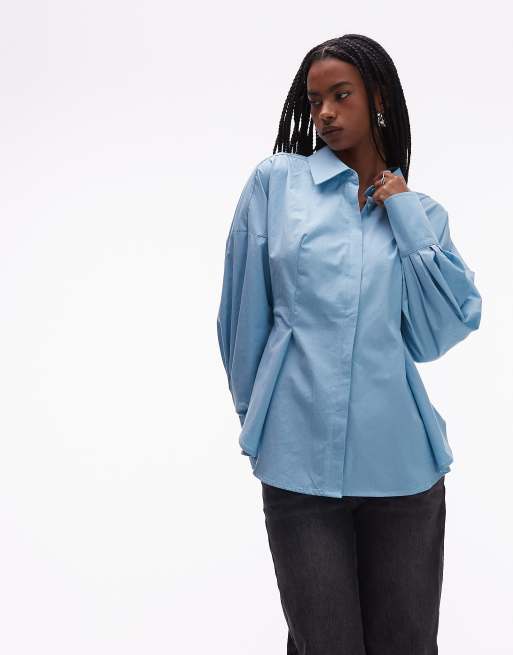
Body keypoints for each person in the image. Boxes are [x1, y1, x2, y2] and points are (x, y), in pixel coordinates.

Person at [216, 33, 482, 655]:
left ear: (378, 98)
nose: (326, 113)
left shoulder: (423, 216)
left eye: (341, 95)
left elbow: (440, 330)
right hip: (297, 465)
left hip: (403, 472)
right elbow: (240, 317)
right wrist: (259, 420)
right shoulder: (276, 185)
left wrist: (404, 213)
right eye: (315, 102)